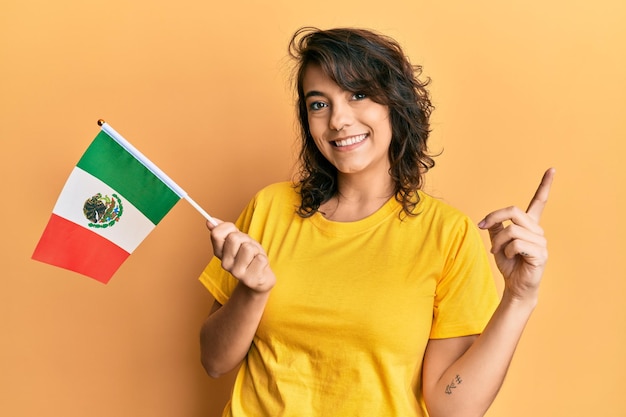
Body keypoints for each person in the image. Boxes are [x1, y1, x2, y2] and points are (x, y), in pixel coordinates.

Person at [198, 26, 555, 417]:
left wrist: (519, 300)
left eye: (358, 94)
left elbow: (452, 408)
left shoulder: (446, 234)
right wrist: (253, 292)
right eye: (319, 104)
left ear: (395, 104)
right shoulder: (269, 207)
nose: (337, 120)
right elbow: (214, 362)